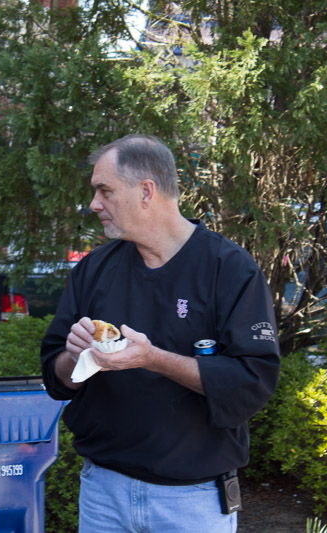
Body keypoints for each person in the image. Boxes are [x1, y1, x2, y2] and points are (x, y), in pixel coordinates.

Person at [40, 135, 281, 532]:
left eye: (105, 191)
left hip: (192, 500)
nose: (94, 204)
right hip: (102, 490)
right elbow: (58, 377)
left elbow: (252, 381)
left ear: (147, 191)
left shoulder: (229, 268)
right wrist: (75, 353)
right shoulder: (93, 269)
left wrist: (154, 359)